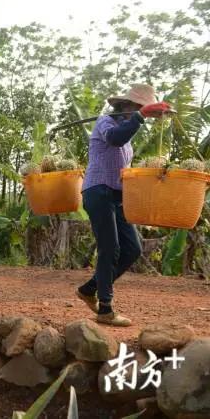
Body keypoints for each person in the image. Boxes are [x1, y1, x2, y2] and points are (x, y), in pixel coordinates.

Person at [76, 84, 172, 327]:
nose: (140, 113)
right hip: (98, 191)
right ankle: (105, 309)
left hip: (118, 196)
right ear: (126, 106)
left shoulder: (129, 132)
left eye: (143, 109)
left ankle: (89, 289)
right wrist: (141, 116)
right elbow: (116, 140)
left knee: (132, 248)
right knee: (110, 248)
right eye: (139, 108)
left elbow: (123, 159)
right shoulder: (105, 123)